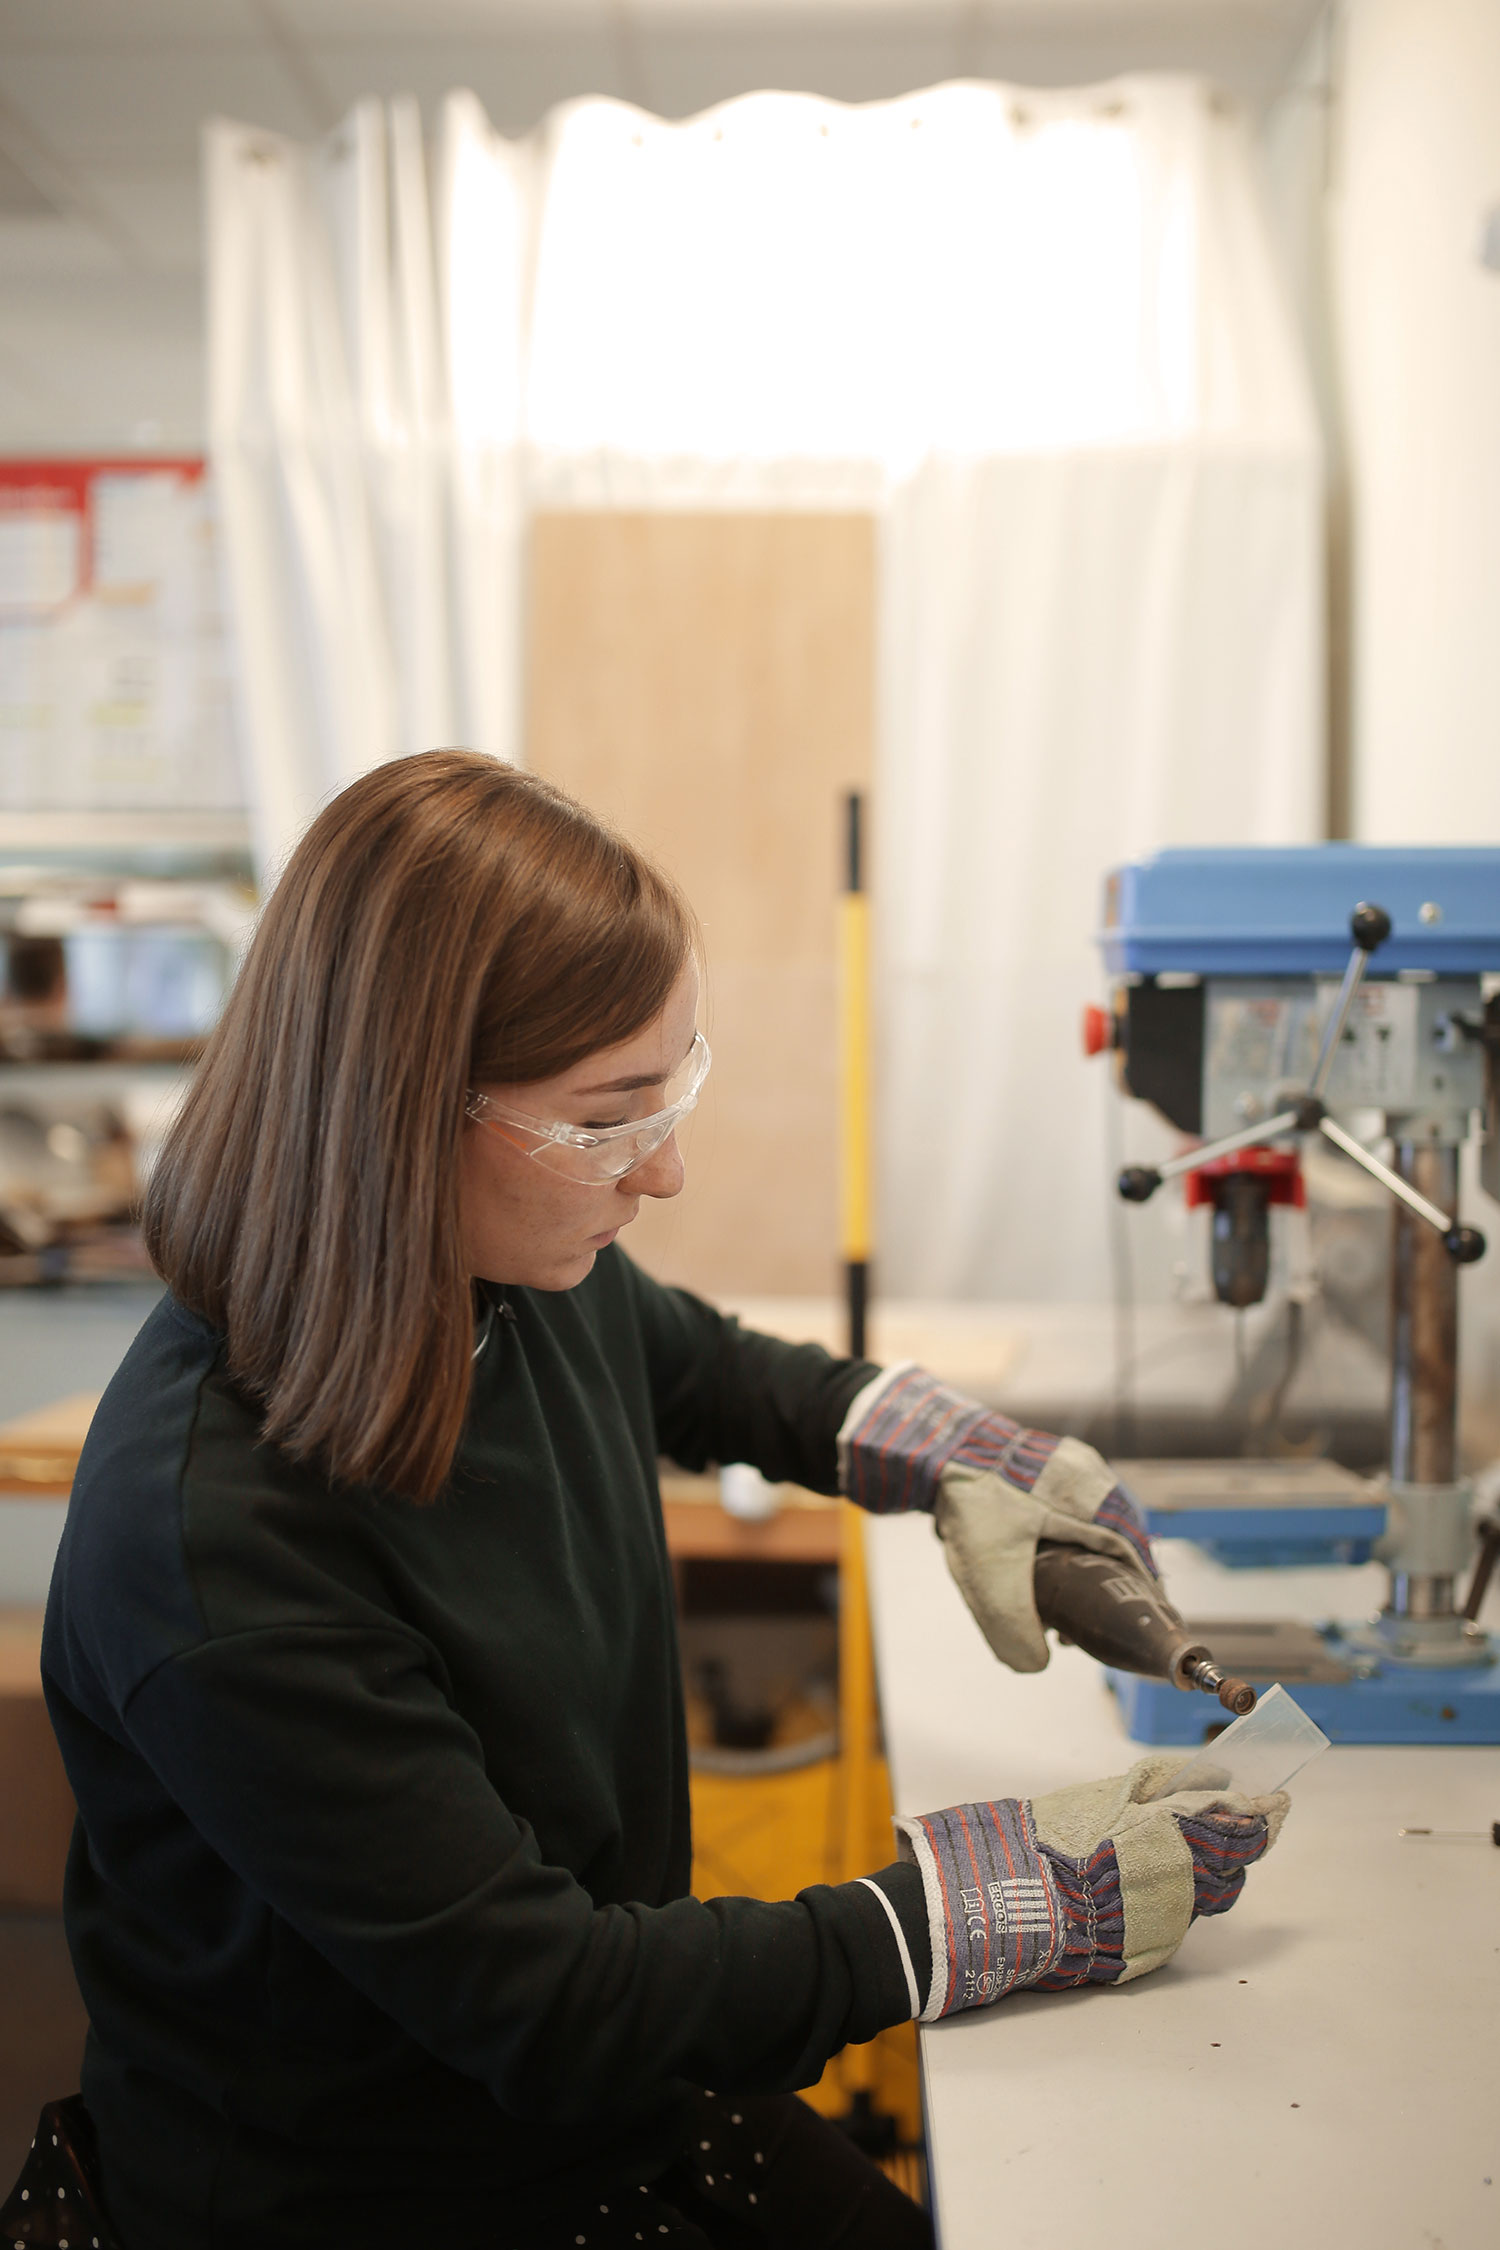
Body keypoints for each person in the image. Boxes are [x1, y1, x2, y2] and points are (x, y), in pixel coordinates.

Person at [34, 751, 1286, 2250]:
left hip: (607, 2104)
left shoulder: (502, 1269)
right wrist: (963, 1914)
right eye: (611, 1114)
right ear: (396, 1115)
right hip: (380, 2192)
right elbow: (550, 1999)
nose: (668, 1168)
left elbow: (714, 1373)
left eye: (673, 1082)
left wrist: (959, 1451)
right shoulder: (217, 1544)